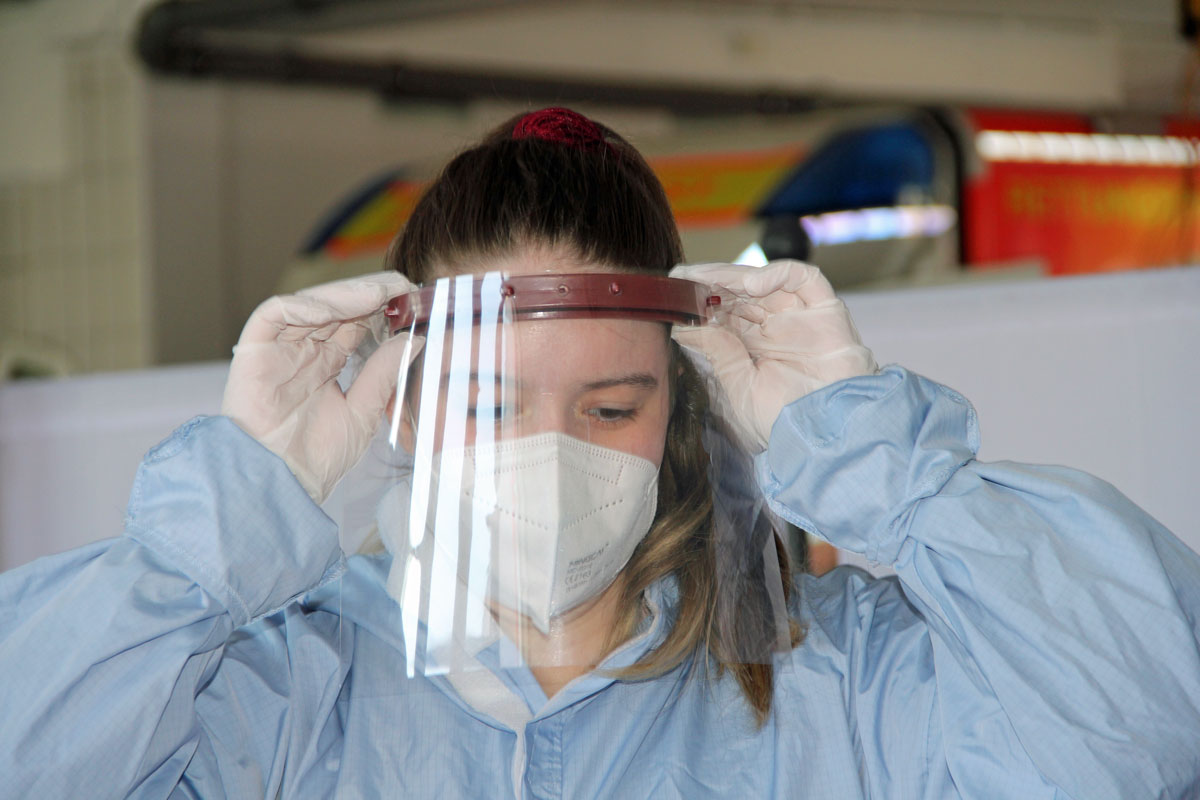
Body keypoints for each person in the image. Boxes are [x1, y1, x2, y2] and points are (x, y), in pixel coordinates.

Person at [1, 107, 1198, 799]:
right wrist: (217, 535)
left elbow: (1145, 731)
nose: (551, 454)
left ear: (676, 409)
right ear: (399, 407)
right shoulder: (270, 694)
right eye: (489, 403)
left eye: (611, 405)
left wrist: (883, 458)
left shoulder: (837, 687)